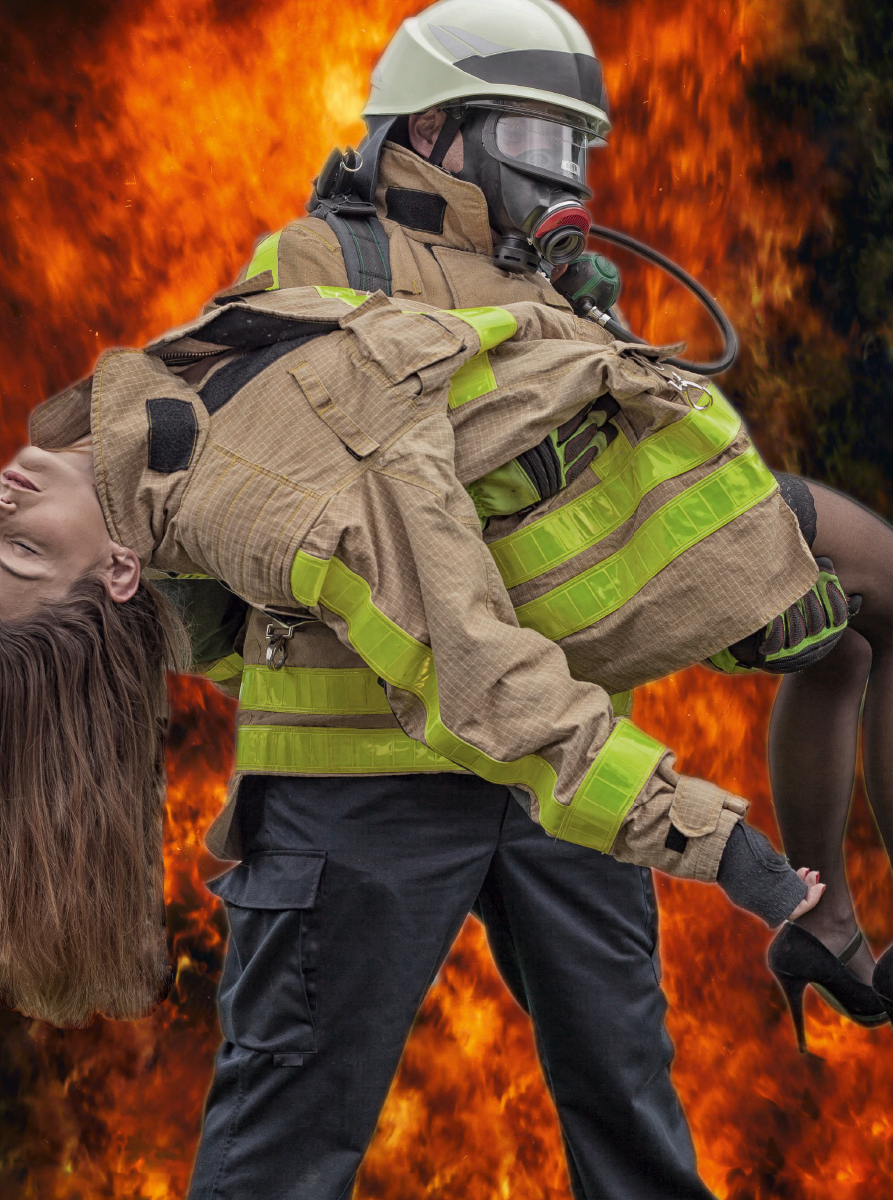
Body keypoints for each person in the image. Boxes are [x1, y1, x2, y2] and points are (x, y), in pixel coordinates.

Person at [1, 284, 826, 1199]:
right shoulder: (263, 505)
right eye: (22, 551)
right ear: (119, 570)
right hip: (378, 799)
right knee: (286, 1154)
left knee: (628, 1111)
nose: (5, 505)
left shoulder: (149, 416)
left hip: (625, 517)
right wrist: (721, 846)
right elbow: (479, 679)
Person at [230, 0, 893, 1056]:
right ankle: (825, 923)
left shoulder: (534, 274)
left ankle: (825, 923)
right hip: (416, 720)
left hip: (585, 643)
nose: (566, 179)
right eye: (536, 142)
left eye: (574, 148)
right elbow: (322, 475)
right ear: (432, 132)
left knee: (854, 628)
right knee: (300, 1119)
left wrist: (592, 331)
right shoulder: (319, 263)